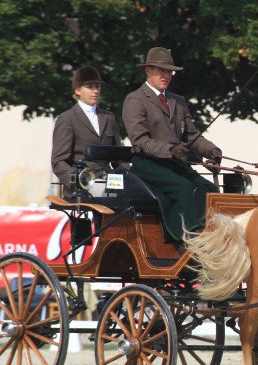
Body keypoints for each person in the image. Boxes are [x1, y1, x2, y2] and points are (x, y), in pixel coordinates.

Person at [122, 46, 222, 243]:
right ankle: (184, 237)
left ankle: (210, 235)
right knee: (185, 189)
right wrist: (171, 151)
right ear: (148, 70)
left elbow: (193, 136)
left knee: (208, 188)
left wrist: (212, 150)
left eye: (169, 71)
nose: (166, 75)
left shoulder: (178, 101)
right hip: (148, 165)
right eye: (161, 70)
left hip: (176, 164)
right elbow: (140, 141)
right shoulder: (135, 100)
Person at [52, 66, 122, 197]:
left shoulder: (109, 117)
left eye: (97, 86)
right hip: (83, 185)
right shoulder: (67, 119)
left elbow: (119, 156)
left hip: (109, 181)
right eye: (90, 87)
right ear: (77, 90)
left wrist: (129, 178)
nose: (95, 91)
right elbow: (58, 162)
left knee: (136, 195)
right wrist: (78, 179)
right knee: (111, 196)